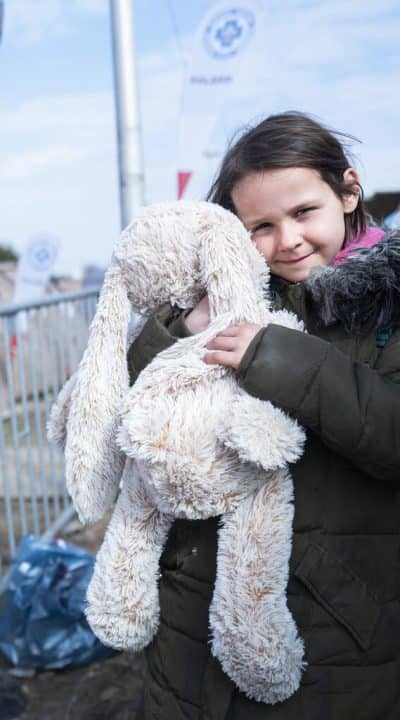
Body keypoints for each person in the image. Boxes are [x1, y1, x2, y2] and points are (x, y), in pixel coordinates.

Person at [128, 111, 400, 719]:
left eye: (305, 212)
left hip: (333, 623)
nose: (288, 241)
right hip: (193, 611)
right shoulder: (219, 298)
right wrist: (173, 331)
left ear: (348, 190)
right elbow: (130, 407)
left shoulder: (392, 302)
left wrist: (279, 358)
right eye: (261, 227)